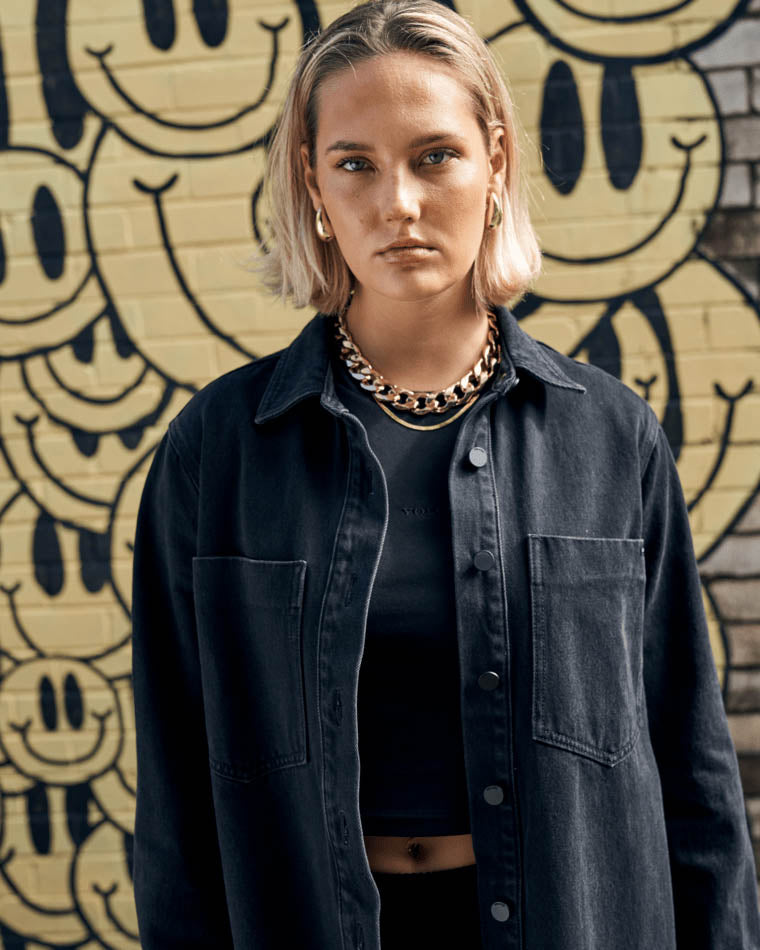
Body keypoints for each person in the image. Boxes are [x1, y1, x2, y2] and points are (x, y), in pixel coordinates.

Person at [130, 1, 760, 947]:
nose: (399, 205)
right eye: (356, 165)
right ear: (313, 184)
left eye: (435, 156)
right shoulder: (219, 450)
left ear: (494, 162)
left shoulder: (608, 437)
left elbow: (693, 766)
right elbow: (177, 795)